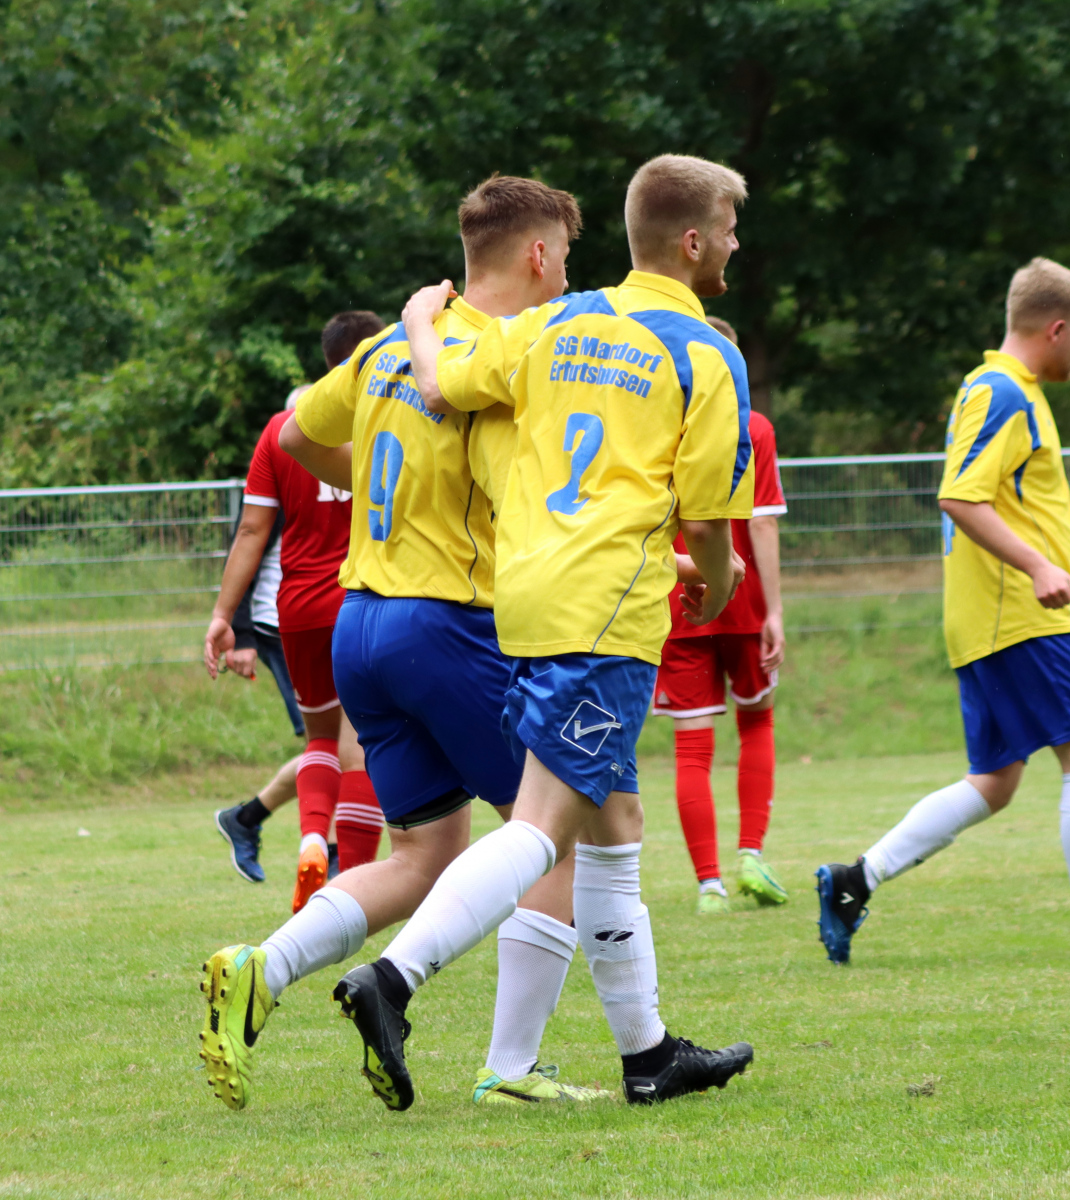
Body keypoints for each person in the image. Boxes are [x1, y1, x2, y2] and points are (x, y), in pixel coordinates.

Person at [332, 153, 756, 1110]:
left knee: (613, 824)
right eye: (730, 231)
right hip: (605, 613)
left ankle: (647, 1054)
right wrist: (722, 582)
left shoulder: (558, 321)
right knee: (542, 828)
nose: (736, 246)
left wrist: (417, 323)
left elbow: (442, 386)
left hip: (523, 598)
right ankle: (392, 979)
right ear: (694, 242)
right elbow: (706, 521)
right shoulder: (703, 354)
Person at [197, 176, 610, 1112]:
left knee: (425, 855)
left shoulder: (387, 343)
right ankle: (510, 1066)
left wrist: (384, 483)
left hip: (362, 624)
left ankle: (261, 968)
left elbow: (295, 436)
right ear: (537, 254)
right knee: (551, 835)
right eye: (564, 258)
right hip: (447, 621)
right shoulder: (502, 349)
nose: (565, 277)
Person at [816, 257, 1070, 965]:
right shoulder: (1003, 392)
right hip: (1018, 615)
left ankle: (854, 881)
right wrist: (1040, 568)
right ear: (1054, 328)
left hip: (992, 614)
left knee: (996, 781)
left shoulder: (1003, 389)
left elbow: (1008, 503)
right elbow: (960, 497)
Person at [204, 313, 386, 913]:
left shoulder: (284, 429)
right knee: (364, 745)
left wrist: (223, 616)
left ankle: (311, 838)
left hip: (300, 608)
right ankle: (354, 878)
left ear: (327, 360)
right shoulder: (390, 417)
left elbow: (252, 530)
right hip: (369, 598)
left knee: (320, 740)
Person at [652, 314, 788, 914]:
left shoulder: (659, 422)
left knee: (691, 748)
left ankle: (709, 885)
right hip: (744, 599)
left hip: (681, 600)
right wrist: (775, 610)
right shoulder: (754, 427)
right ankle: (751, 855)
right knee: (757, 722)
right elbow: (761, 524)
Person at [214, 394, 307, 885]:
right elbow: (247, 541)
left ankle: (248, 819)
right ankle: (331, 855)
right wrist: (243, 634)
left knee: (338, 749)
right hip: (281, 622)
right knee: (335, 748)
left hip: (323, 617)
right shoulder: (283, 465)